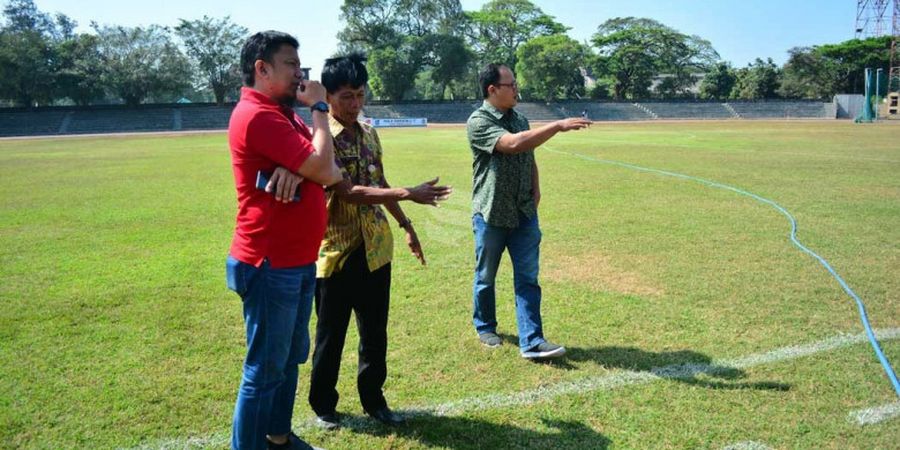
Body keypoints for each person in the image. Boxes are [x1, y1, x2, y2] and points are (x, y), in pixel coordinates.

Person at [266, 53, 451, 429]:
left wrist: (405, 225)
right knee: (330, 337)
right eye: (346, 96)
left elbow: (379, 182)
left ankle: (374, 400)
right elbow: (348, 192)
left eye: (361, 94)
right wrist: (407, 193)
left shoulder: (369, 132)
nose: (355, 104)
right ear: (328, 97)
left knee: (374, 333)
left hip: (376, 249)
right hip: (335, 253)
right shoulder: (320, 140)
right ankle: (323, 406)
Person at [225, 30, 342, 450]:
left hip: (295, 261)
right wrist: (320, 109)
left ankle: (276, 437)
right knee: (265, 368)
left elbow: (333, 167)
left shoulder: (282, 114)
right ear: (262, 69)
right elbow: (327, 170)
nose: (300, 73)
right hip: (269, 262)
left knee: (290, 358)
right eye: (291, 64)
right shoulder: (259, 115)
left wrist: (303, 167)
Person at [466, 63, 591, 359]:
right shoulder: (478, 121)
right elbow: (511, 144)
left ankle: (532, 340)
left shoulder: (519, 117)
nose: (516, 88)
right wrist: (557, 126)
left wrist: (536, 188)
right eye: (511, 84)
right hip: (492, 213)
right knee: (486, 275)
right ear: (492, 90)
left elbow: (527, 153)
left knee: (528, 277)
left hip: (523, 212)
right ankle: (485, 326)